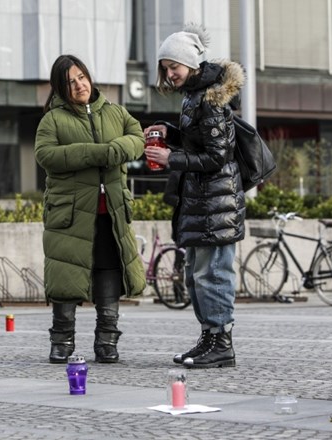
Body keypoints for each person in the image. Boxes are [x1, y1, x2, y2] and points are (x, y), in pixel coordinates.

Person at [144, 24, 246, 369]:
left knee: (213, 274)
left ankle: (221, 344)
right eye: (165, 67)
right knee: (195, 275)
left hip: (217, 204)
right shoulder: (193, 95)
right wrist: (167, 130)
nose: (169, 73)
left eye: (174, 66)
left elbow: (218, 156)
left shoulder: (212, 99)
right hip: (202, 202)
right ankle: (209, 338)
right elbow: (197, 141)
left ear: (191, 63)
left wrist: (171, 158)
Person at [34, 54, 146, 364]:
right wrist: (97, 153)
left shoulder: (115, 112)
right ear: (60, 88)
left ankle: (107, 340)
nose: (79, 85)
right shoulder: (52, 120)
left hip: (110, 211)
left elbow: (138, 139)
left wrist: (116, 150)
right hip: (69, 213)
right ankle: (62, 340)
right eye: (70, 82)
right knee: (65, 274)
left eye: (81, 77)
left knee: (109, 271)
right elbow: (46, 155)